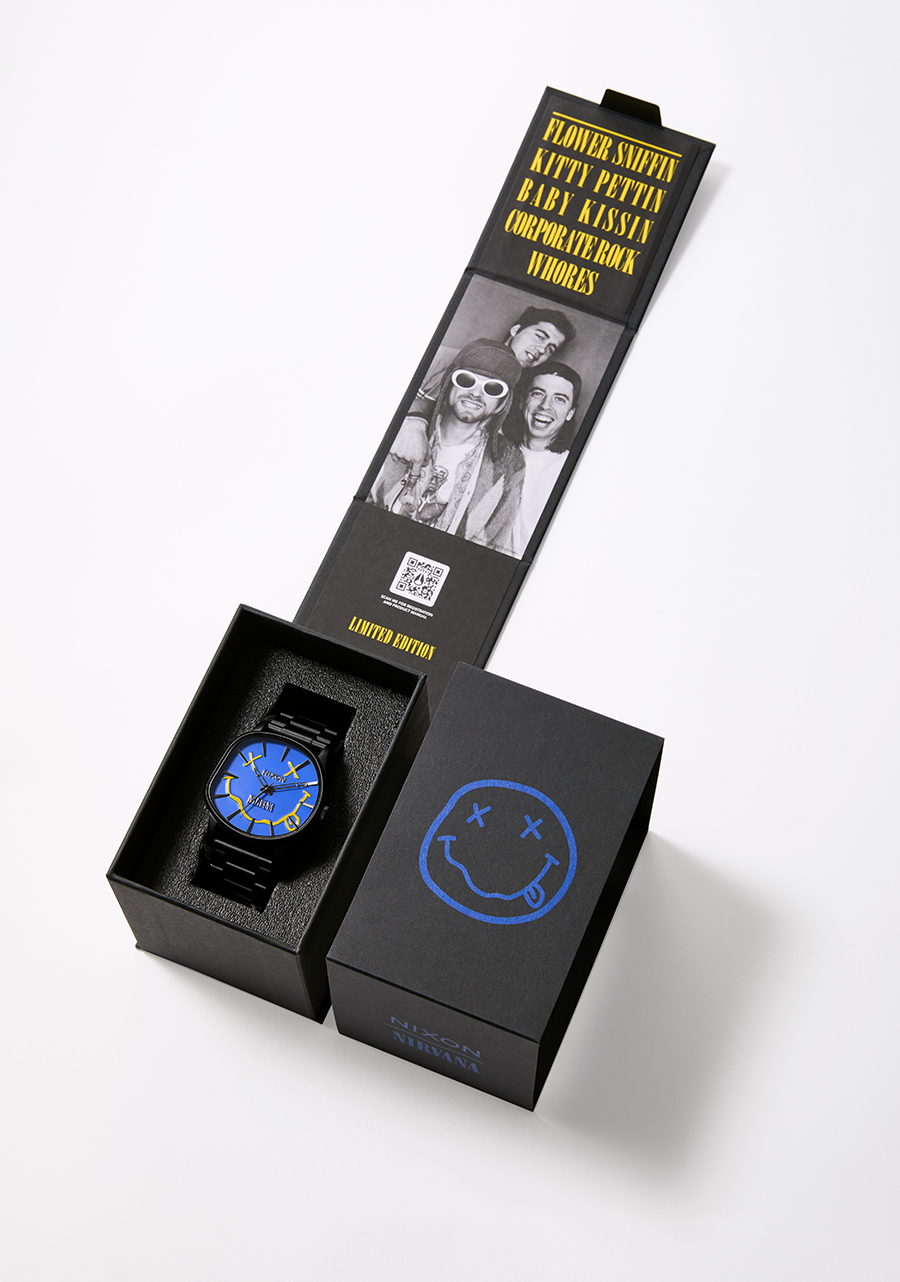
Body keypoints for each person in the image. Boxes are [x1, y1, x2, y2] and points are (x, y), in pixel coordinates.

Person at [368, 340, 525, 554]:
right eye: (466, 380)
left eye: (493, 388)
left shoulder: (510, 461)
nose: (476, 393)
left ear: (502, 404)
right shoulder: (402, 426)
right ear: (449, 383)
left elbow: (494, 542)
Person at [414, 306, 576, 412]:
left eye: (550, 349)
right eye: (540, 337)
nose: (541, 350)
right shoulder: (443, 357)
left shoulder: (520, 398)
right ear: (515, 330)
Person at [502, 361, 582, 558]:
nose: (546, 406)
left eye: (560, 399)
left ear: (570, 413)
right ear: (522, 401)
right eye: (538, 394)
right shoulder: (495, 450)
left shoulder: (572, 471)